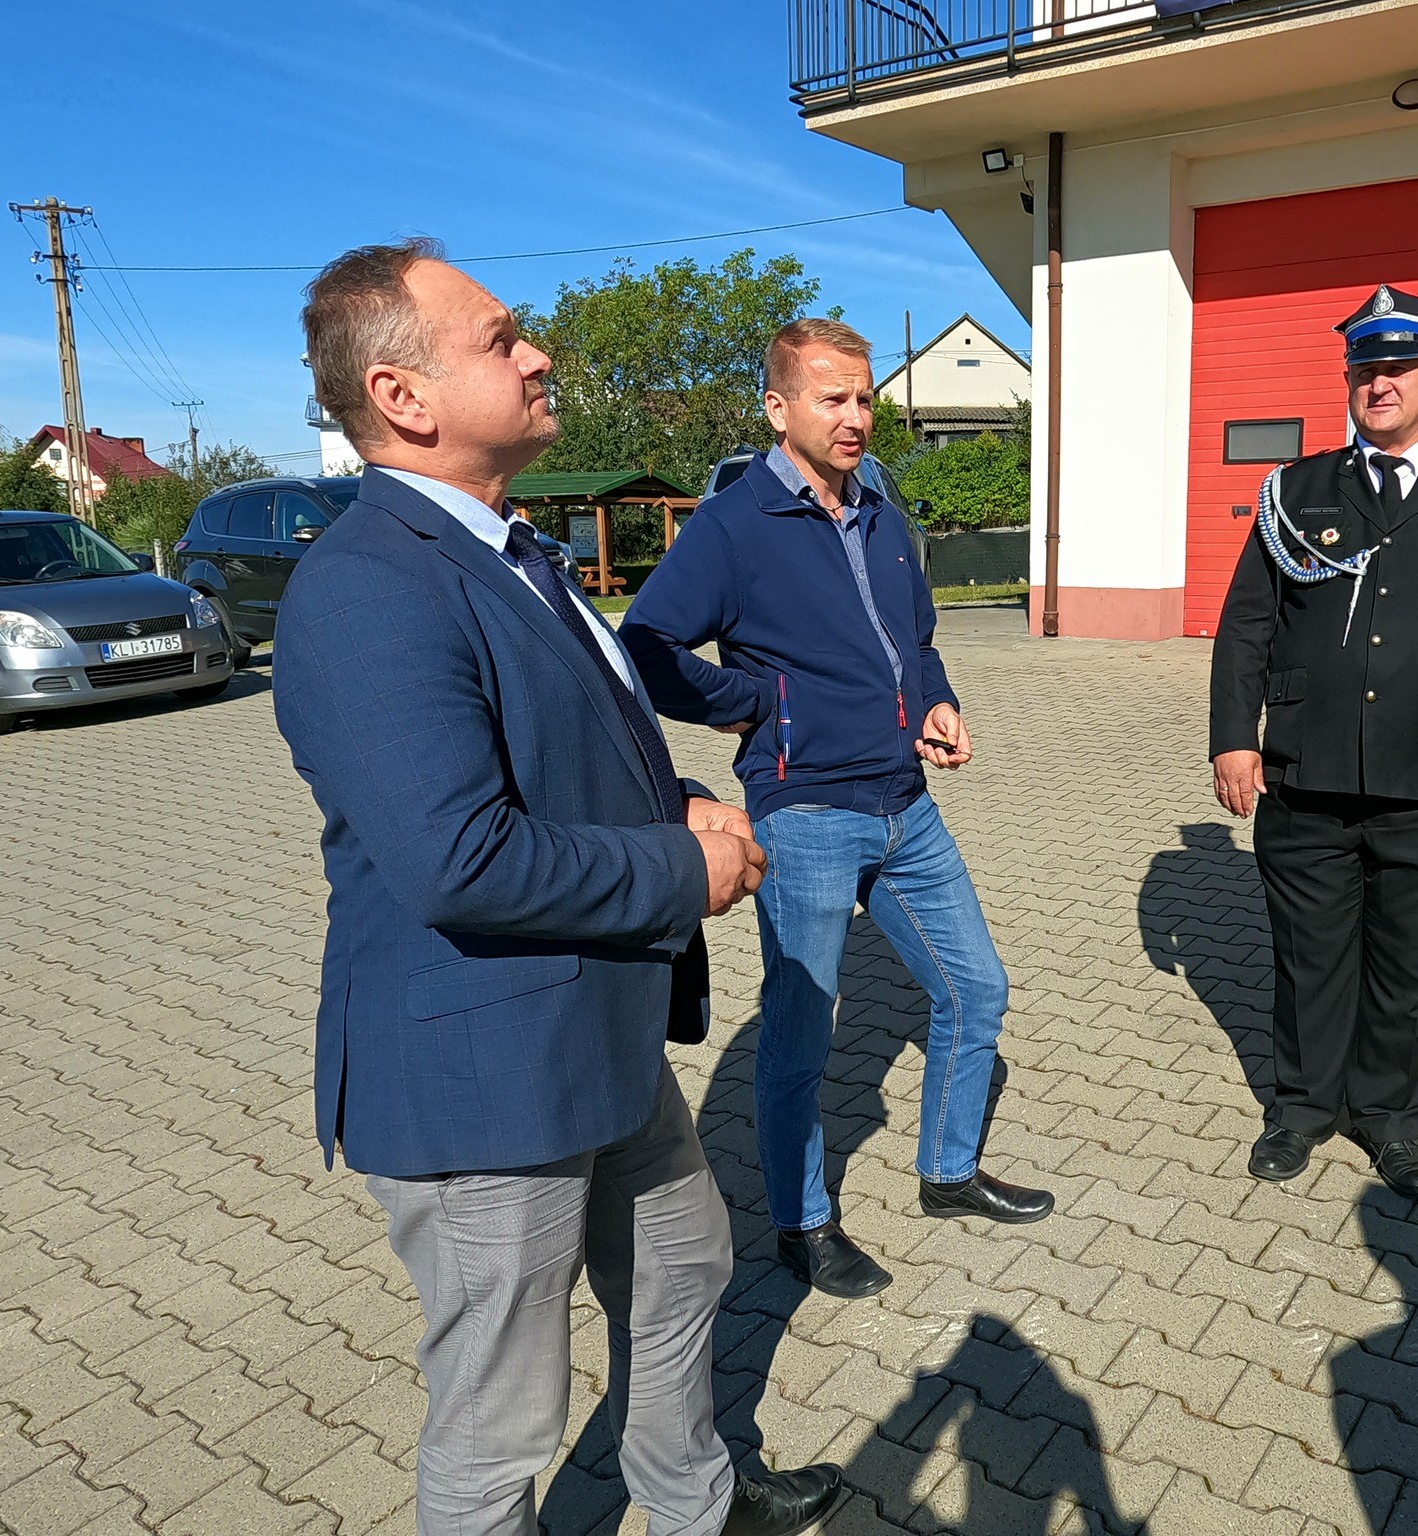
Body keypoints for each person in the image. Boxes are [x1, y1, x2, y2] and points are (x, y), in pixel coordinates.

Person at [273, 239, 842, 1536]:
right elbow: (457, 855)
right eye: (499, 338)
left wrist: (672, 799)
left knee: (684, 1263)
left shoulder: (508, 551)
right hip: (482, 1078)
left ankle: (695, 1503)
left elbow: (551, 754)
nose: (538, 353)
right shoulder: (368, 587)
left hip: (592, 1029)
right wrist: (682, 866)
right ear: (403, 396)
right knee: (501, 1421)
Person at [620, 318, 1052, 1301]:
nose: (855, 417)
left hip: (906, 804)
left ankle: (948, 1172)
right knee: (801, 1035)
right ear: (779, 409)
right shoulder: (732, 526)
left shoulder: (884, 518)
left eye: (863, 398)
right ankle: (801, 1222)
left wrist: (935, 700)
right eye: (832, 398)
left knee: (975, 989)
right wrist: (756, 704)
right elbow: (644, 647)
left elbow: (917, 642)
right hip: (806, 813)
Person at [1208, 284, 1418, 1201]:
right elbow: (1246, 627)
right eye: (1366, 368)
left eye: (1400, 368)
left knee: (1415, 964)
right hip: (1307, 772)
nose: (1381, 383)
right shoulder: (1295, 491)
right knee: (1307, 957)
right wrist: (1234, 738)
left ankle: (1392, 1120)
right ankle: (1300, 1109)